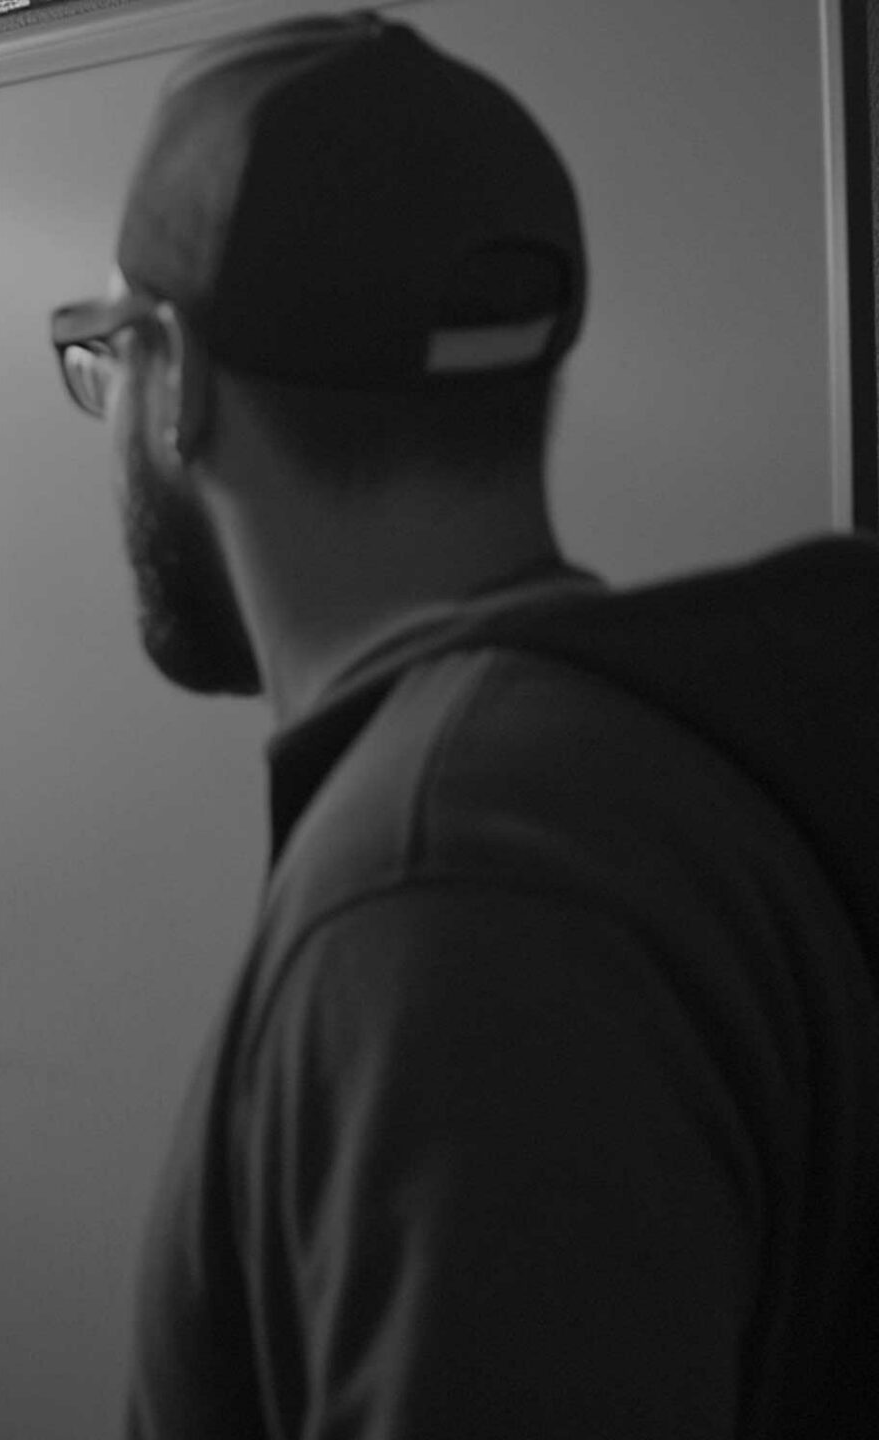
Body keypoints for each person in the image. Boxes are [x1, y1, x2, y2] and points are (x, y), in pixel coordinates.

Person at [50, 13, 879, 1437]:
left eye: (108, 351)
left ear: (179, 378)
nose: (112, 399)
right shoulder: (639, 780)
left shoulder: (444, 902)